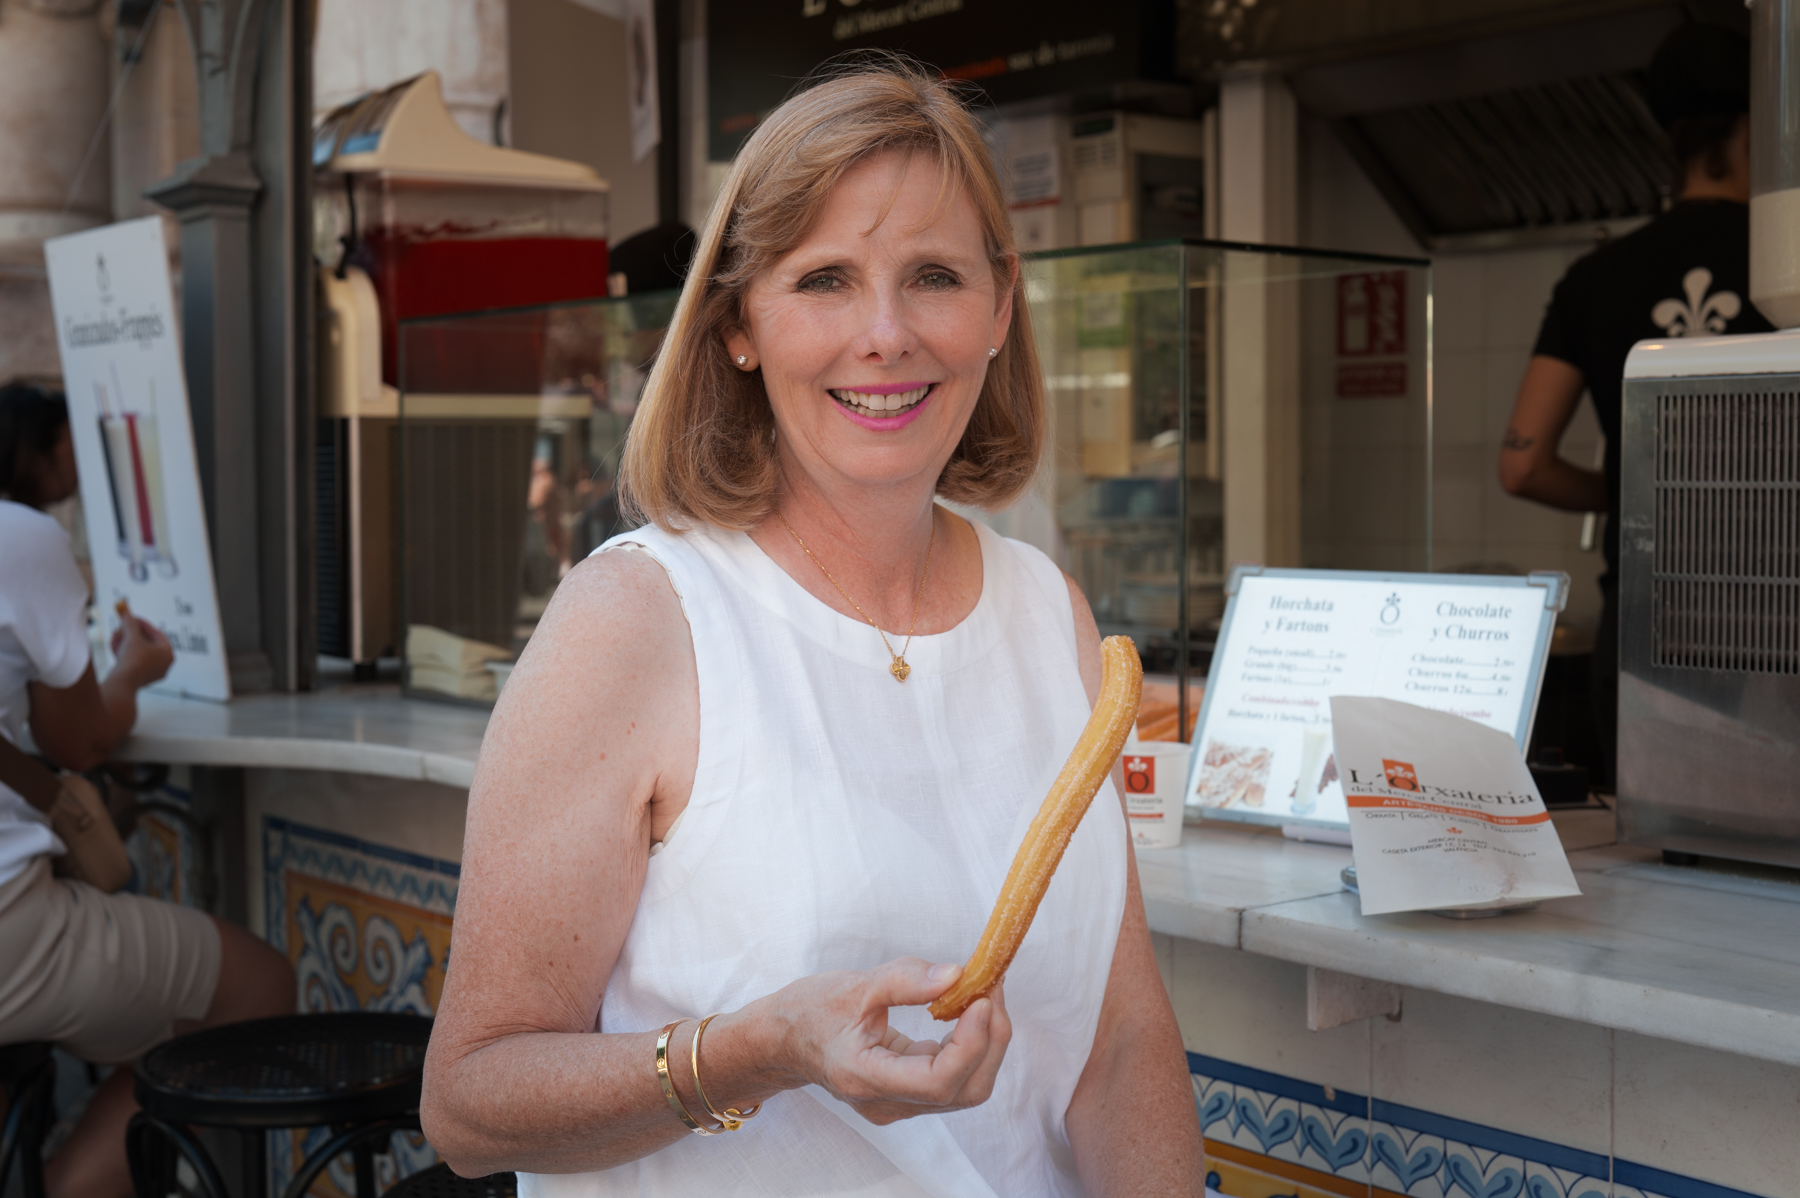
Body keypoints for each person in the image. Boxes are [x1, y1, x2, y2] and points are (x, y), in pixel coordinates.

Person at [421, 63, 1203, 1196]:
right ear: (741, 323)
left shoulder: (1050, 614)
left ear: (999, 305)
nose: (883, 335)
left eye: (933, 275)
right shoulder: (636, 620)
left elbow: (1119, 1042)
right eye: (824, 279)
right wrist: (763, 1048)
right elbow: (471, 1105)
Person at [0, 380, 295, 1198]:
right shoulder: (21, 538)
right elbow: (81, 738)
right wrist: (136, 670)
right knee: (259, 989)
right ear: (49, 451)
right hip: (10, 934)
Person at [1498, 23, 1771, 789]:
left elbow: (1521, 466)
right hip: (1778, 627)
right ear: (1759, 126)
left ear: (1669, 136)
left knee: (1660, 862)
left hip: (1646, 626)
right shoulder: (1785, 262)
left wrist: (1626, 489)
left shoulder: (1597, 277)